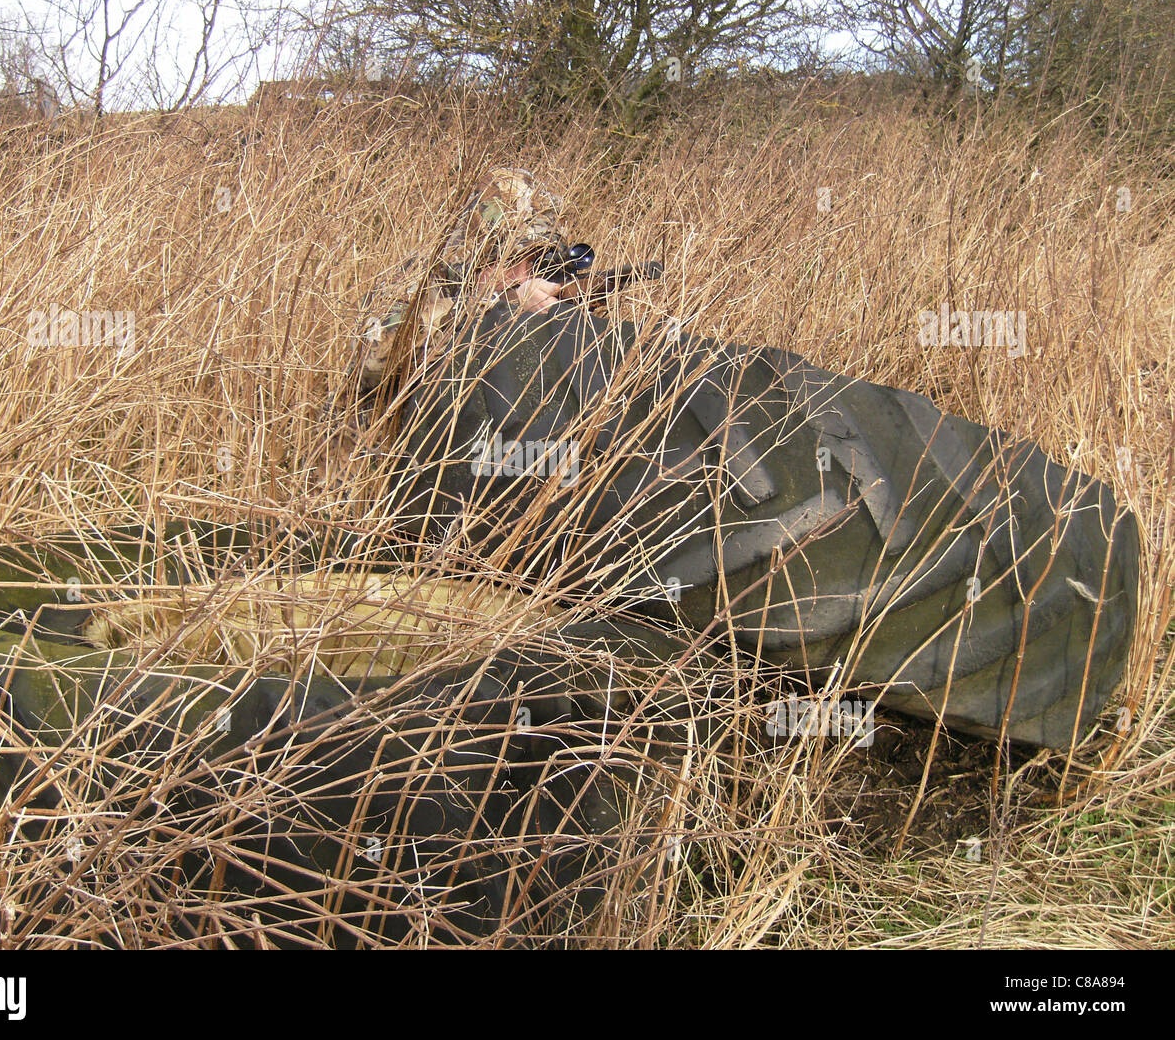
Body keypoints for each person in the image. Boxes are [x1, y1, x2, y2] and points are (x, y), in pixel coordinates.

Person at [358, 167, 1140, 752]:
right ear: (490, 253)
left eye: (546, 259)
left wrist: (556, 314)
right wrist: (502, 313)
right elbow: (387, 366)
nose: (542, 271)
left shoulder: (563, 344)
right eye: (528, 256)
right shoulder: (433, 313)